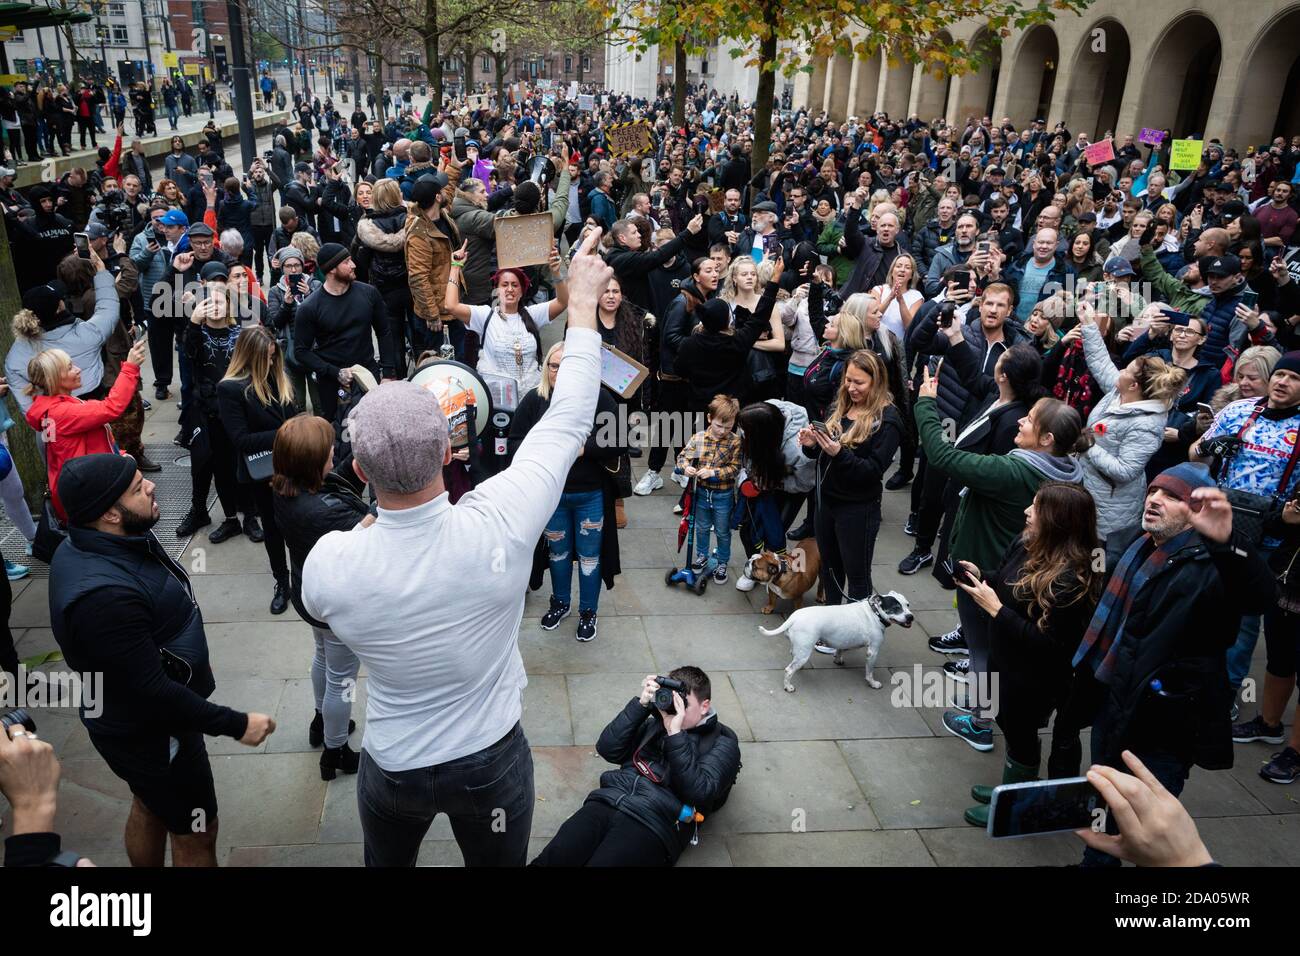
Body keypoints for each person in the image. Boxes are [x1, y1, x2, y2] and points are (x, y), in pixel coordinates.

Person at [299, 229, 610, 867]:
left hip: (393, 769)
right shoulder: (499, 520)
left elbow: (322, 598)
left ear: (359, 472)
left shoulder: (330, 563)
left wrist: (367, 525)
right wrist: (580, 311)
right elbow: (571, 415)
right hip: (489, 760)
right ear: (449, 451)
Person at [47, 453, 276, 866]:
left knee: (151, 803)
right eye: (137, 488)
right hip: (155, 734)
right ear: (109, 514)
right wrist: (235, 724)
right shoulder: (103, 597)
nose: (152, 486)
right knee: (196, 833)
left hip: (141, 729)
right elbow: (152, 690)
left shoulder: (103, 540)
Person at [1072, 465, 1275, 866]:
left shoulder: (1213, 565)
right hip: (1112, 698)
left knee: (1145, 824)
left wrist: (1229, 543)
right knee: (1104, 803)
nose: (1154, 500)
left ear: (1197, 510)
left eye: (1172, 496)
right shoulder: (1129, 542)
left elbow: (1260, 597)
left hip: (1164, 719)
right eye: (1153, 491)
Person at [915, 372, 1088, 751]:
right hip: (1017, 576)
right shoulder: (1068, 473)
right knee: (992, 653)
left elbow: (943, 456)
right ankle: (985, 704)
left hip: (989, 579)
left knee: (981, 651)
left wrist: (927, 403)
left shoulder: (1013, 471)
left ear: (1047, 440)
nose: (1021, 420)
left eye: (1030, 419)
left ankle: (979, 722)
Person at [955, 481, 1103, 827]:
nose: (1027, 511)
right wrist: (982, 577)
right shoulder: (1027, 543)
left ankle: (1014, 806)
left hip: (1033, 677)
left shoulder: (1072, 578)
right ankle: (1015, 789)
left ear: (1057, 521)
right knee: (1008, 723)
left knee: (1020, 732)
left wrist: (995, 610)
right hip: (1004, 660)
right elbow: (1006, 583)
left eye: (1035, 508)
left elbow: (1051, 645)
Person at [530, 669, 741, 866]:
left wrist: (675, 735)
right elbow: (607, 749)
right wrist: (642, 705)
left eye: (683, 705)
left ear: (704, 706)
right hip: (607, 801)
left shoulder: (723, 744)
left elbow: (699, 792)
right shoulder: (654, 724)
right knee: (552, 859)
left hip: (654, 822)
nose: (676, 710)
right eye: (672, 701)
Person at [271, 413, 367, 777]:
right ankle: (336, 750)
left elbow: (333, 483)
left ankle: (319, 719)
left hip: (308, 594)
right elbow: (370, 531)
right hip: (334, 604)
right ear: (312, 462)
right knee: (342, 680)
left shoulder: (285, 486)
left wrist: (355, 465)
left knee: (323, 658)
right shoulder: (324, 512)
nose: (334, 451)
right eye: (329, 450)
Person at [510, 341, 622, 642]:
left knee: (589, 558)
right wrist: (546, 449)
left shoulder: (597, 398)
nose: (559, 371)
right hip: (552, 497)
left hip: (590, 495)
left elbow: (621, 439)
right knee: (558, 555)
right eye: (554, 365)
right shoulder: (536, 399)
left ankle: (588, 612)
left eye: (566, 365)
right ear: (546, 368)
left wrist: (583, 447)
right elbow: (514, 441)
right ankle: (559, 603)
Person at [1076, 301, 1187, 565]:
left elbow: (1126, 470)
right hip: (1087, 491)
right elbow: (1101, 363)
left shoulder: (1147, 424)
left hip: (1110, 510)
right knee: (1076, 552)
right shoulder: (1120, 391)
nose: (1121, 370)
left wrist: (1089, 445)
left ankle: (1096, 604)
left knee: (1096, 563)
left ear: (1135, 384)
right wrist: (1089, 325)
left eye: (1127, 370)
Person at [798, 349, 903, 605]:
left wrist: (837, 452)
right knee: (831, 570)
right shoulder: (841, 404)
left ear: (876, 383)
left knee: (857, 576)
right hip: (826, 503)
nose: (851, 388)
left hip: (857, 509)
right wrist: (812, 444)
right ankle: (834, 626)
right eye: (848, 380)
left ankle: (856, 631)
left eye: (859, 383)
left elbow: (872, 471)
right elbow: (819, 456)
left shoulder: (887, 419)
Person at [218, 326, 298, 615]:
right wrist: (288, 431)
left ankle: (303, 579)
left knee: (300, 522)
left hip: (293, 464)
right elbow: (240, 440)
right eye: (266, 356)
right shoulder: (230, 388)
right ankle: (282, 581)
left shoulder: (280, 378)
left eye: (273, 355)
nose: (272, 360)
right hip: (263, 472)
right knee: (274, 529)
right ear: (250, 356)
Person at [22, 337, 145, 523]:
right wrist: (129, 367)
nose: (78, 369)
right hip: (90, 491)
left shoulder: (52, 409)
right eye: (70, 367)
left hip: (82, 485)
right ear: (54, 379)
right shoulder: (62, 412)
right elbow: (112, 407)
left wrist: (118, 455)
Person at [292, 243, 400, 425]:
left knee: (376, 426)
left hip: (368, 375)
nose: (354, 265)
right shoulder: (310, 307)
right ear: (332, 270)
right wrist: (335, 372)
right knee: (338, 433)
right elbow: (301, 351)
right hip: (332, 382)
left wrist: (388, 373)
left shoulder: (369, 293)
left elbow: (384, 331)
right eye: (347, 261)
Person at [443, 250, 570, 402]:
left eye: (515, 285)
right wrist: (456, 266)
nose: (510, 289)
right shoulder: (484, 316)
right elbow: (450, 305)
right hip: (497, 401)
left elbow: (563, 302)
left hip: (529, 399)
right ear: (497, 291)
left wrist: (556, 272)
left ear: (522, 291)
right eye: (505, 285)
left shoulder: (533, 314)